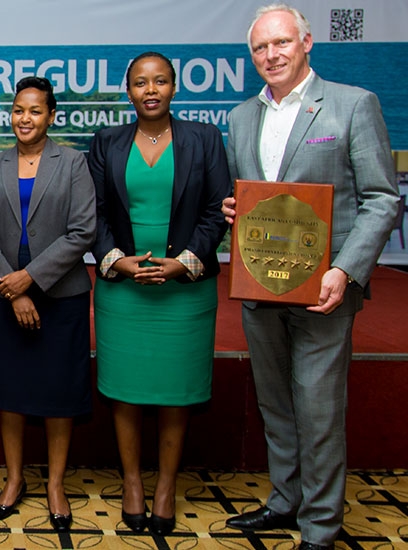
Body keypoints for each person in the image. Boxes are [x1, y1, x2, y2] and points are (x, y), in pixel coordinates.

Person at [221, 5, 400, 549]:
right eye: (259, 48)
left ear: (306, 43)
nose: (270, 56)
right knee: (275, 403)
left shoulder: (351, 105)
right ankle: (285, 500)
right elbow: (253, 195)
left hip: (325, 290)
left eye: (280, 43)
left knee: (319, 410)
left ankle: (320, 527)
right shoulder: (240, 117)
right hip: (262, 286)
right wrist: (236, 210)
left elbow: (381, 198)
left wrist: (346, 269)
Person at [89, 52, 230, 536]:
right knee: (125, 392)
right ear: (128, 91)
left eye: (161, 81)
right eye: (141, 83)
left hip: (184, 291)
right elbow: (96, 214)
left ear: (174, 88)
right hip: (123, 291)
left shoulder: (204, 139)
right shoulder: (106, 141)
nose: (151, 90)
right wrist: (118, 262)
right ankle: (132, 483)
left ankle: (166, 486)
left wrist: (183, 263)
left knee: (176, 392)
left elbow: (218, 210)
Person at [0, 77, 95, 532]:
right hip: (5, 297)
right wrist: (15, 288)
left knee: (59, 395)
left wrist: (32, 278)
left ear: (51, 116)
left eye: (35, 111)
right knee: (11, 394)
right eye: (19, 110)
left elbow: (82, 231)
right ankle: (14, 480)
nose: (25, 119)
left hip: (60, 297)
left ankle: (56, 484)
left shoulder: (73, 163)